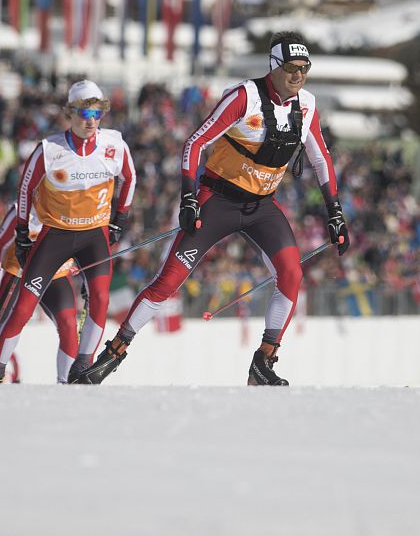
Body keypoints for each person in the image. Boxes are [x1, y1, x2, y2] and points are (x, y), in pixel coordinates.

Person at [75, 32, 349, 386]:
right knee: (168, 282)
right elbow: (195, 142)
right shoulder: (244, 97)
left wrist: (335, 211)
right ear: (274, 66)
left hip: (261, 206)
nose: (298, 76)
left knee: (291, 275)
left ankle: (263, 362)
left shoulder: (306, 105)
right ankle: (114, 351)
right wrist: (189, 196)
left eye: (305, 69)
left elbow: (321, 158)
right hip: (217, 201)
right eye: (292, 68)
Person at [0, 79, 136, 383]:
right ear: (70, 112)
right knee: (23, 306)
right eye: (82, 113)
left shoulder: (114, 144)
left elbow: (130, 178)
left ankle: (83, 365)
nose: (90, 122)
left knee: (100, 299)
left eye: (96, 114)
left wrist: (121, 218)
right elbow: (25, 189)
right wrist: (23, 233)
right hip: (55, 235)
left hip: (95, 235)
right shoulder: (50, 148)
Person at [0, 201, 80, 383]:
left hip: (56, 275)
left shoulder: (76, 205)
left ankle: (67, 384)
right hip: (19, 275)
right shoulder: (22, 211)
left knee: (69, 324)